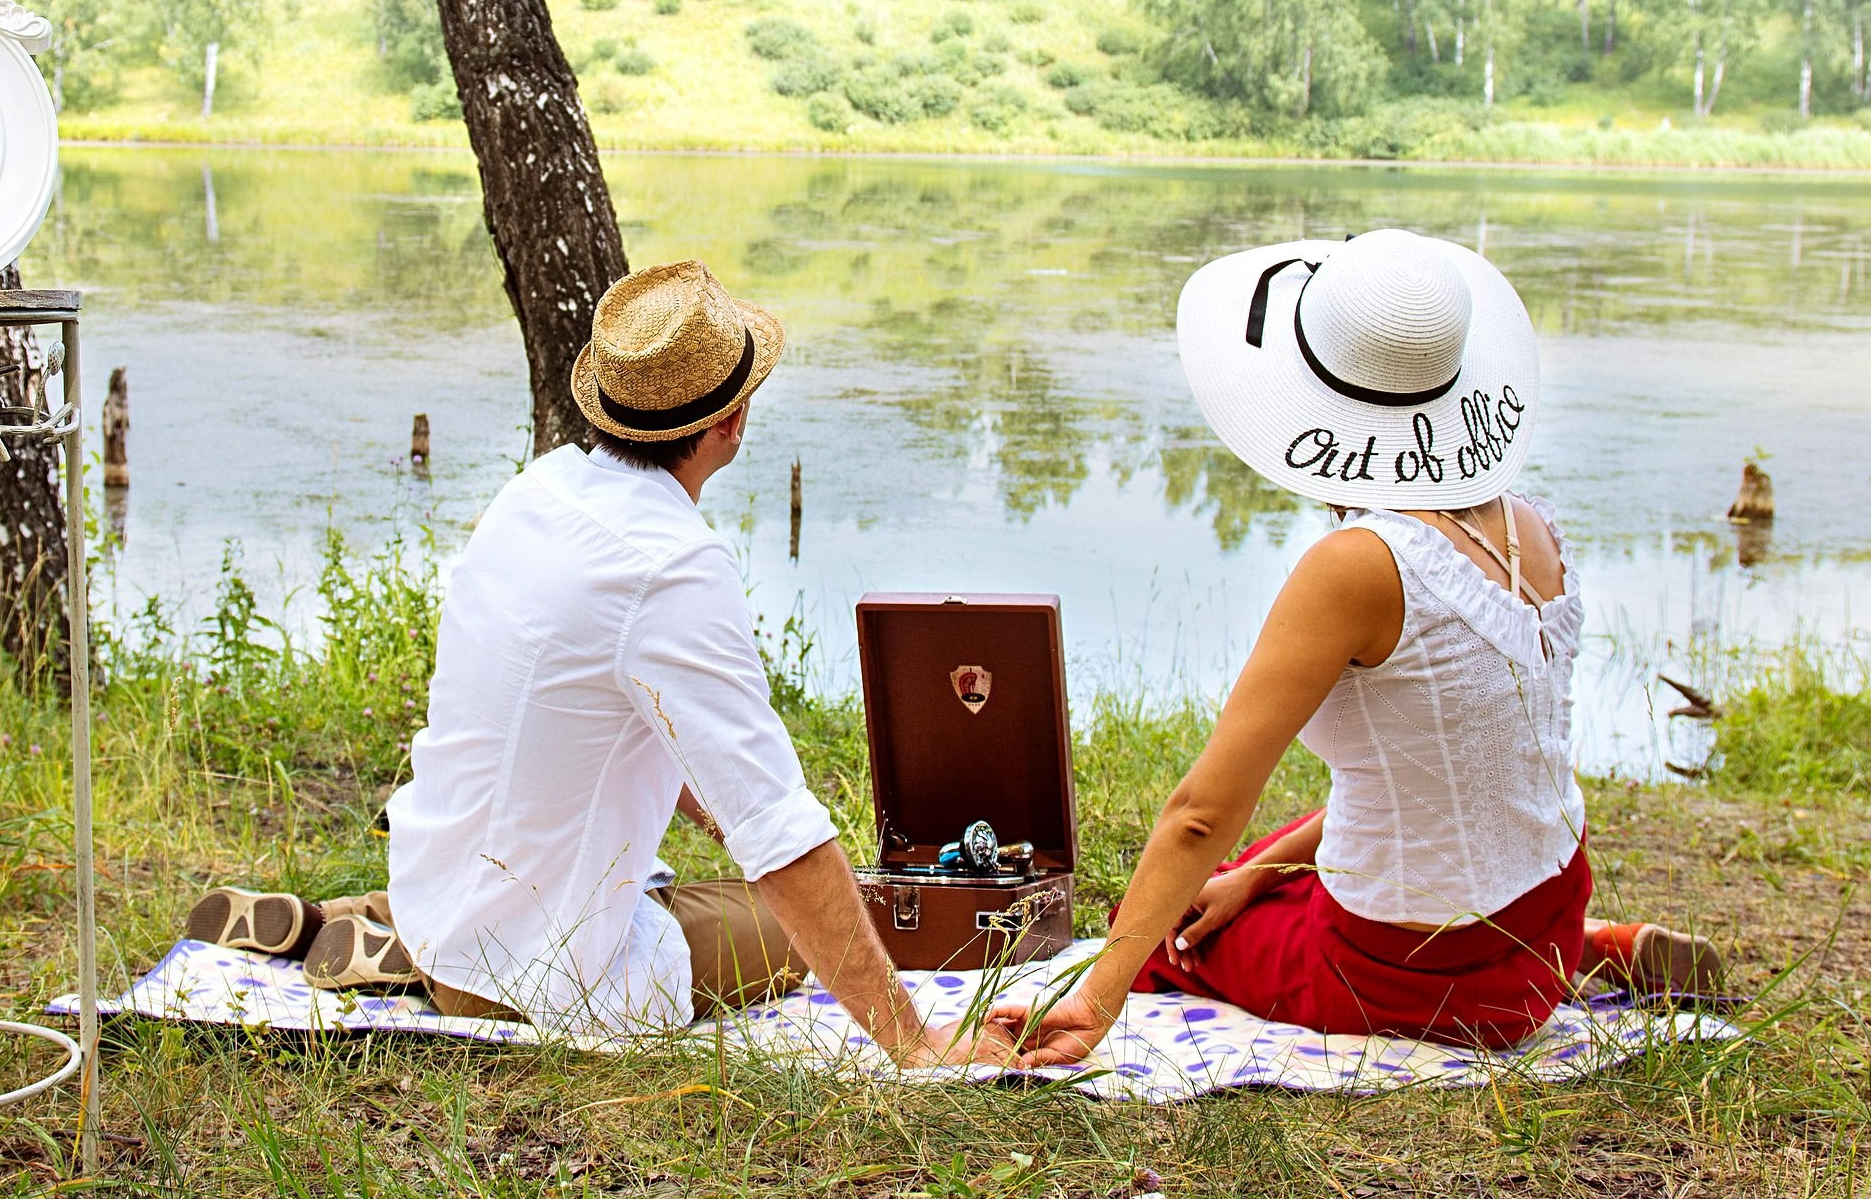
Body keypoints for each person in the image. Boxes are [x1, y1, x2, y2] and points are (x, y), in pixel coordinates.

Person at [187, 261, 1010, 1068]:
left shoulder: (538, 489)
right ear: (731, 422)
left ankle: (383, 923)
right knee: (785, 933)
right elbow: (779, 831)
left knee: (654, 878)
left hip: (438, 885)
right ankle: (430, 958)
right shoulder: (672, 566)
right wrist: (914, 1040)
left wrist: (717, 810)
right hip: (527, 975)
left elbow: (625, 723)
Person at [995, 229, 1723, 1065]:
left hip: (1410, 978)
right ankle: (1589, 946)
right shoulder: (1532, 526)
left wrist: (1096, 999)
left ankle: (1549, 954)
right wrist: (1255, 873)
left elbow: (1200, 813)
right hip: (1545, 915)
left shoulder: (1357, 565)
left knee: (1176, 931)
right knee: (1279, 853)